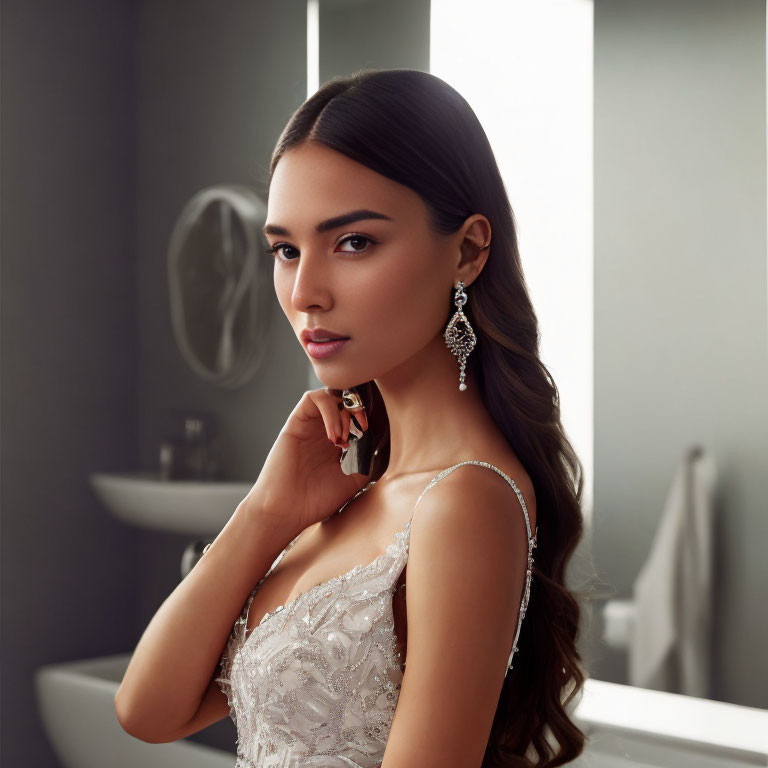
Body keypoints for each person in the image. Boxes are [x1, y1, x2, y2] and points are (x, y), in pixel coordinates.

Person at [115, 68, 587, 767]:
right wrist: (267, 511)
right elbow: (148, 709)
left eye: (354, 242)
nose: (305, 292)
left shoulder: (466, 501)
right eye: (286, 250)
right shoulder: (356, 498)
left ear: (467, 250)